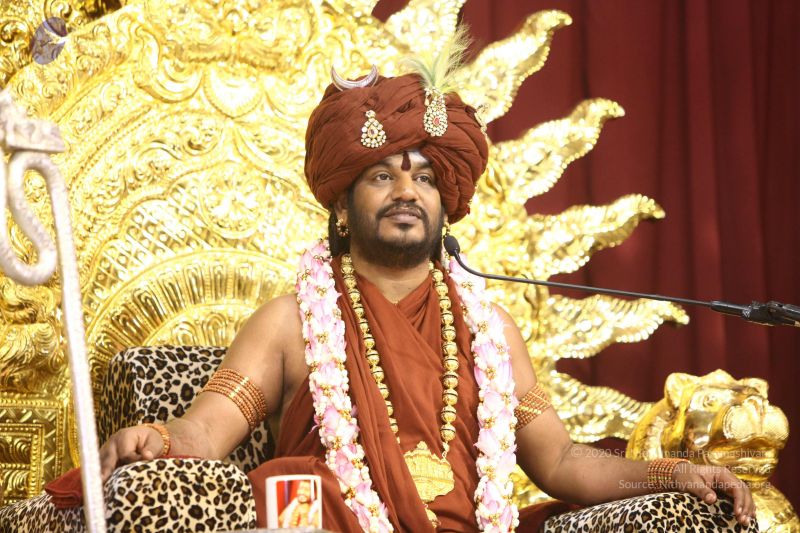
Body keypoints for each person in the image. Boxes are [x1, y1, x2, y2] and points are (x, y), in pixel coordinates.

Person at [98, 65, 756, 532]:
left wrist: (670, 474)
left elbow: (559, 460)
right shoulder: (289, 322)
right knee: (292, 493)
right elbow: (205, 430)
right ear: (342, 210)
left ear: (446, 205)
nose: (406, 192)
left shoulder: (492, 329)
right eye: (381, 176)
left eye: (424, 178)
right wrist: (157, 438)